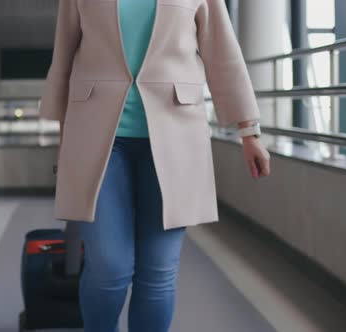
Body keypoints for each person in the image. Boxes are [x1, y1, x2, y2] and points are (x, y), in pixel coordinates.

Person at [39, 0, 271, 331]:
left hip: (177, 137)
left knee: (158, 271)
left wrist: (249, 132)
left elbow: (222, 54)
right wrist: (66, 147)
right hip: (96, 137)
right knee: (108, 269)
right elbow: (63, 58)